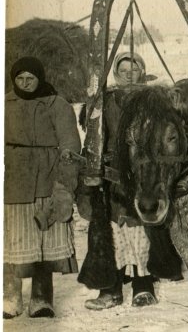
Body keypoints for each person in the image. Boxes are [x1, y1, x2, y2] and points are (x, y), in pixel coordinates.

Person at [81, 52, 170, 310]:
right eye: (124, 69)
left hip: (141, 171)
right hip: (110, 172)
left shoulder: (151, 99)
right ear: (117, 72)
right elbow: (92, 128)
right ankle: (110, 289)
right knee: (110, 230)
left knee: (140, 229)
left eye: (135, 69)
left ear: (142, 71)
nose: (130, 74)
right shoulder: (106, 100)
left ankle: (143, 286)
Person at [4, 57, 81, 318]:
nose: (25, 83)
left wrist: (65, 177)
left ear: (40, 78)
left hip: (47, 177)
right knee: (11, 238)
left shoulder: (56, 104)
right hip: (13, 179)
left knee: (44, 240)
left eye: (31, 78)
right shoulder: (5, 103)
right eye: (20, 78)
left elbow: (70, 142)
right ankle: (10, 295)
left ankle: (41, 297)